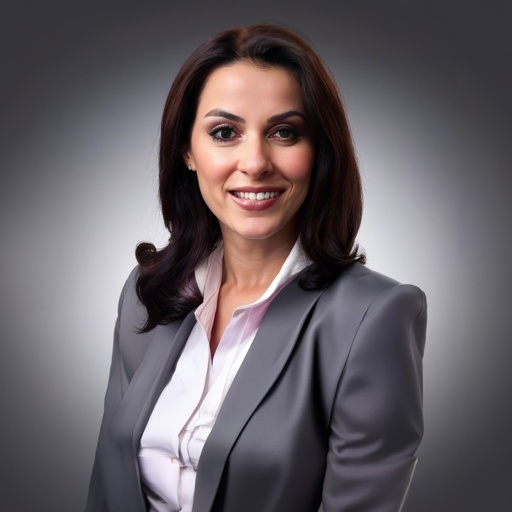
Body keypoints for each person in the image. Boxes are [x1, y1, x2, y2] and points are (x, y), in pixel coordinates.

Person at [85, 23, 427, 512]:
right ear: (187, 151)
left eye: (284, 132)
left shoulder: (374, 318)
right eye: (224, 133)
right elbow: (108, 482)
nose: (255, 162)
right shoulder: (149, 290)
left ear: (319, 151)